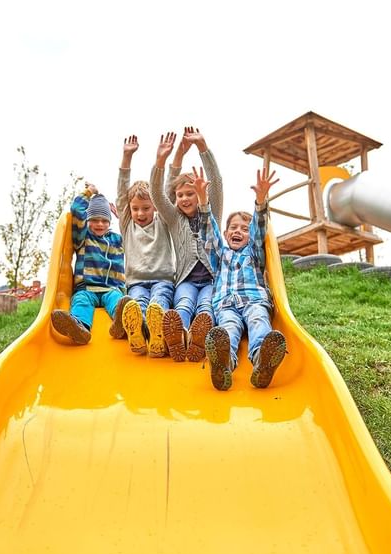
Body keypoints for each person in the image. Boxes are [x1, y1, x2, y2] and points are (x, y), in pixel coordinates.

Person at [193, 165, 287, 390]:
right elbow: (209, 233)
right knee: (227, 330)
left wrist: (261, 199)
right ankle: (224, 365)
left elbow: (258, 229)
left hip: (254, 300)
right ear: (226, 234)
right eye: (233, 228)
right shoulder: (219, 254)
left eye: (244, 229)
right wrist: (203, 198)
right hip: (226, 305)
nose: (238, 231)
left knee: (258, 321)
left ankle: (262, 360)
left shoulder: (253, 251)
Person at [149, 128, 223, 363]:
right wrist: (160, 161)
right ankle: (177, 337)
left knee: (206, 305)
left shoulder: (211, 212)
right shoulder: (174, 218)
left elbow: (217, 183)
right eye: (180, 195)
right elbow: (157, 195)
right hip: (186, 280)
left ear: (201, 194)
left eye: (190, 193)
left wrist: (203, 147)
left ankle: (200, 339)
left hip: (211, 279)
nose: (184, 198)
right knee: (183, 303)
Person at [115, 134, 176, 357]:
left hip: (163, 280)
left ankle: (157, 335)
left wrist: (171, 158)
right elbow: (122, 193)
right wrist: (126, 156)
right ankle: (138, 335)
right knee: (137, 304)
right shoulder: (127, 224)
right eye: (136, 208)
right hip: (136, 282)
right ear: (129, 210)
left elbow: (167, 191)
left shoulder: (164, 221)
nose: (140, 213)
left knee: (158, 303)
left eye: (146, 208)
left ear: (155, 207)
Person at [51, 183, 129, 345]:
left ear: (109, 222)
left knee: (119, 301)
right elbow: (77, 210)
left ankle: (123, 323)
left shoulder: (117, 239)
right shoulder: (83, 237)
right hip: (87, 288)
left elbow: (133, 230)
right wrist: (89, 193)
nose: (99, 224)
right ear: (88, 221)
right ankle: (80, 328)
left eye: (104, 220)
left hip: (111, 288)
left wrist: (122, 217)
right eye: (94, 220)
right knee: (81, 301)